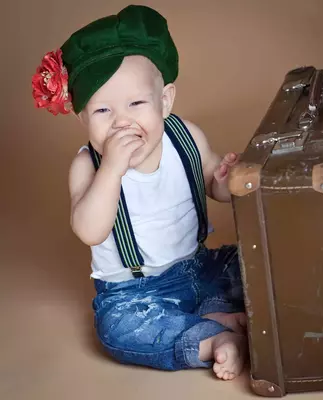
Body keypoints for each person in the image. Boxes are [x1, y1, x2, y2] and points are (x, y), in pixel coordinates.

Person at [32, 4, 247, 380]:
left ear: (164, 101)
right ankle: (211, 339)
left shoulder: (185, 136)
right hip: (135, 295)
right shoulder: (88, 166)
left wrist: (227, 178)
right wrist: (112, 169)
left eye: (136, 103)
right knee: (117, 331)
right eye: (103, 111)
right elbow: (90, 230)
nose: (122, 122)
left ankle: (214, 310)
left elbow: (213, 183)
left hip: (198, 265)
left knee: (246, 260)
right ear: (82, 117)